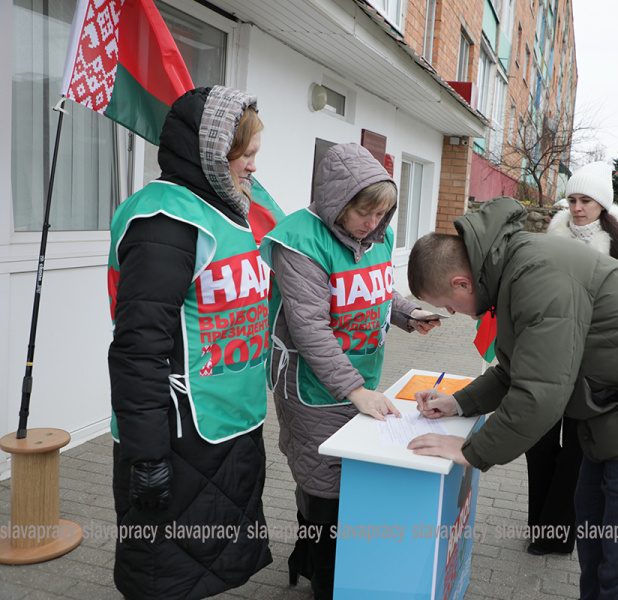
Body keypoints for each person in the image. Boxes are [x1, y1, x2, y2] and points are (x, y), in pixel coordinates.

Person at [405, 196, 618, 600]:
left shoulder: (535, 275)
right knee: (595, 550)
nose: (452, 313)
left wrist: (473, 450)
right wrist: (458, 402)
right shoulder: (512, 270)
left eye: (446, 306)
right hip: (616, 409)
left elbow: (541, 392)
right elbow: (517, 370)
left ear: (461, 283)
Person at [107, 86, 281, 600]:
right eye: (245, 155)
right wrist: (147, 456)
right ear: (212, 153)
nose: (253, 167)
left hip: (230, 425)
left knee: (205, 569)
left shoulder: (233, 211)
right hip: (178, 438)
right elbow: (138, 347)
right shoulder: (165, 221)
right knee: (165, 573)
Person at [259, 143, 439, 599]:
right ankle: (325, 579)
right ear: (338, 200)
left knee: (339, 484)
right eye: (364, 213)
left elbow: (376, 290)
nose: (373, 224)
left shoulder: (373, 237)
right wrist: (355, 389)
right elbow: (310, 329)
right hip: (313, 387)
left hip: (355, 382)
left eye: (382, 214)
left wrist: (407, 312)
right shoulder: (301, 241)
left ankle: (311, 557)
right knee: (324, 486)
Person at [522, 161, 618, 556]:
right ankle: (536, 522)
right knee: (538, 443)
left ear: (602, 205)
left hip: (591, 365)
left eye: (585, 200)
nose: (577, 208)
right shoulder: (550, 239)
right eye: (572, 199)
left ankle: (555, 536)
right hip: (546, 357)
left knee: (575, 449)